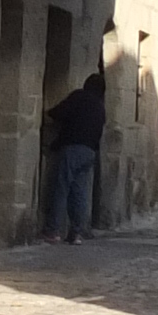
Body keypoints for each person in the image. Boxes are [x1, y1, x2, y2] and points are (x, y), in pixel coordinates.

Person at [43, 63, 107, 244]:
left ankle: (53, 230)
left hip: (73, 148)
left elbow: (59, 113)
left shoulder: (80, 97)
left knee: (61, 188)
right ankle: (76, 232)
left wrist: (47, 113)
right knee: (79, 192)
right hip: (89, 153)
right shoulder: (100, 108)